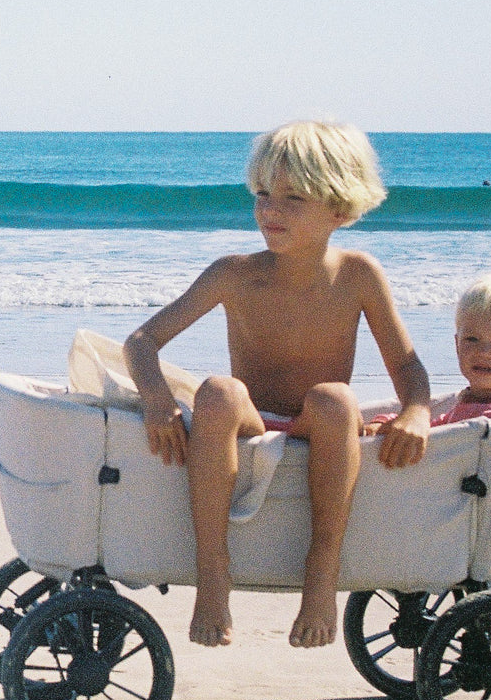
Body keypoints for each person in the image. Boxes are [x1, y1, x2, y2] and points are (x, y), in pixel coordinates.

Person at [123, 121, 431, 650]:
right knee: (218, 390)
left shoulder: (358, 274)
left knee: (335, 397)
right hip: (252, 417)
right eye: (263, 194)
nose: (270, 210)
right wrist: (156, 402)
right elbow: (142, 341)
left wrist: (416, 412)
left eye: (292, 198)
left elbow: (406, 365)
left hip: (320, 424)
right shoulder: (234, 273)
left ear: (340, 209)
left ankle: (322, 570)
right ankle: (213, 570)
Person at [366, 274, 491, 431]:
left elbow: (432, 436)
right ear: (457, 345)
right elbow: (434, 425)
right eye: (472, 339)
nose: (484, 352)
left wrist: (386, 427)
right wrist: (388, 421)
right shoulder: (471, 403)